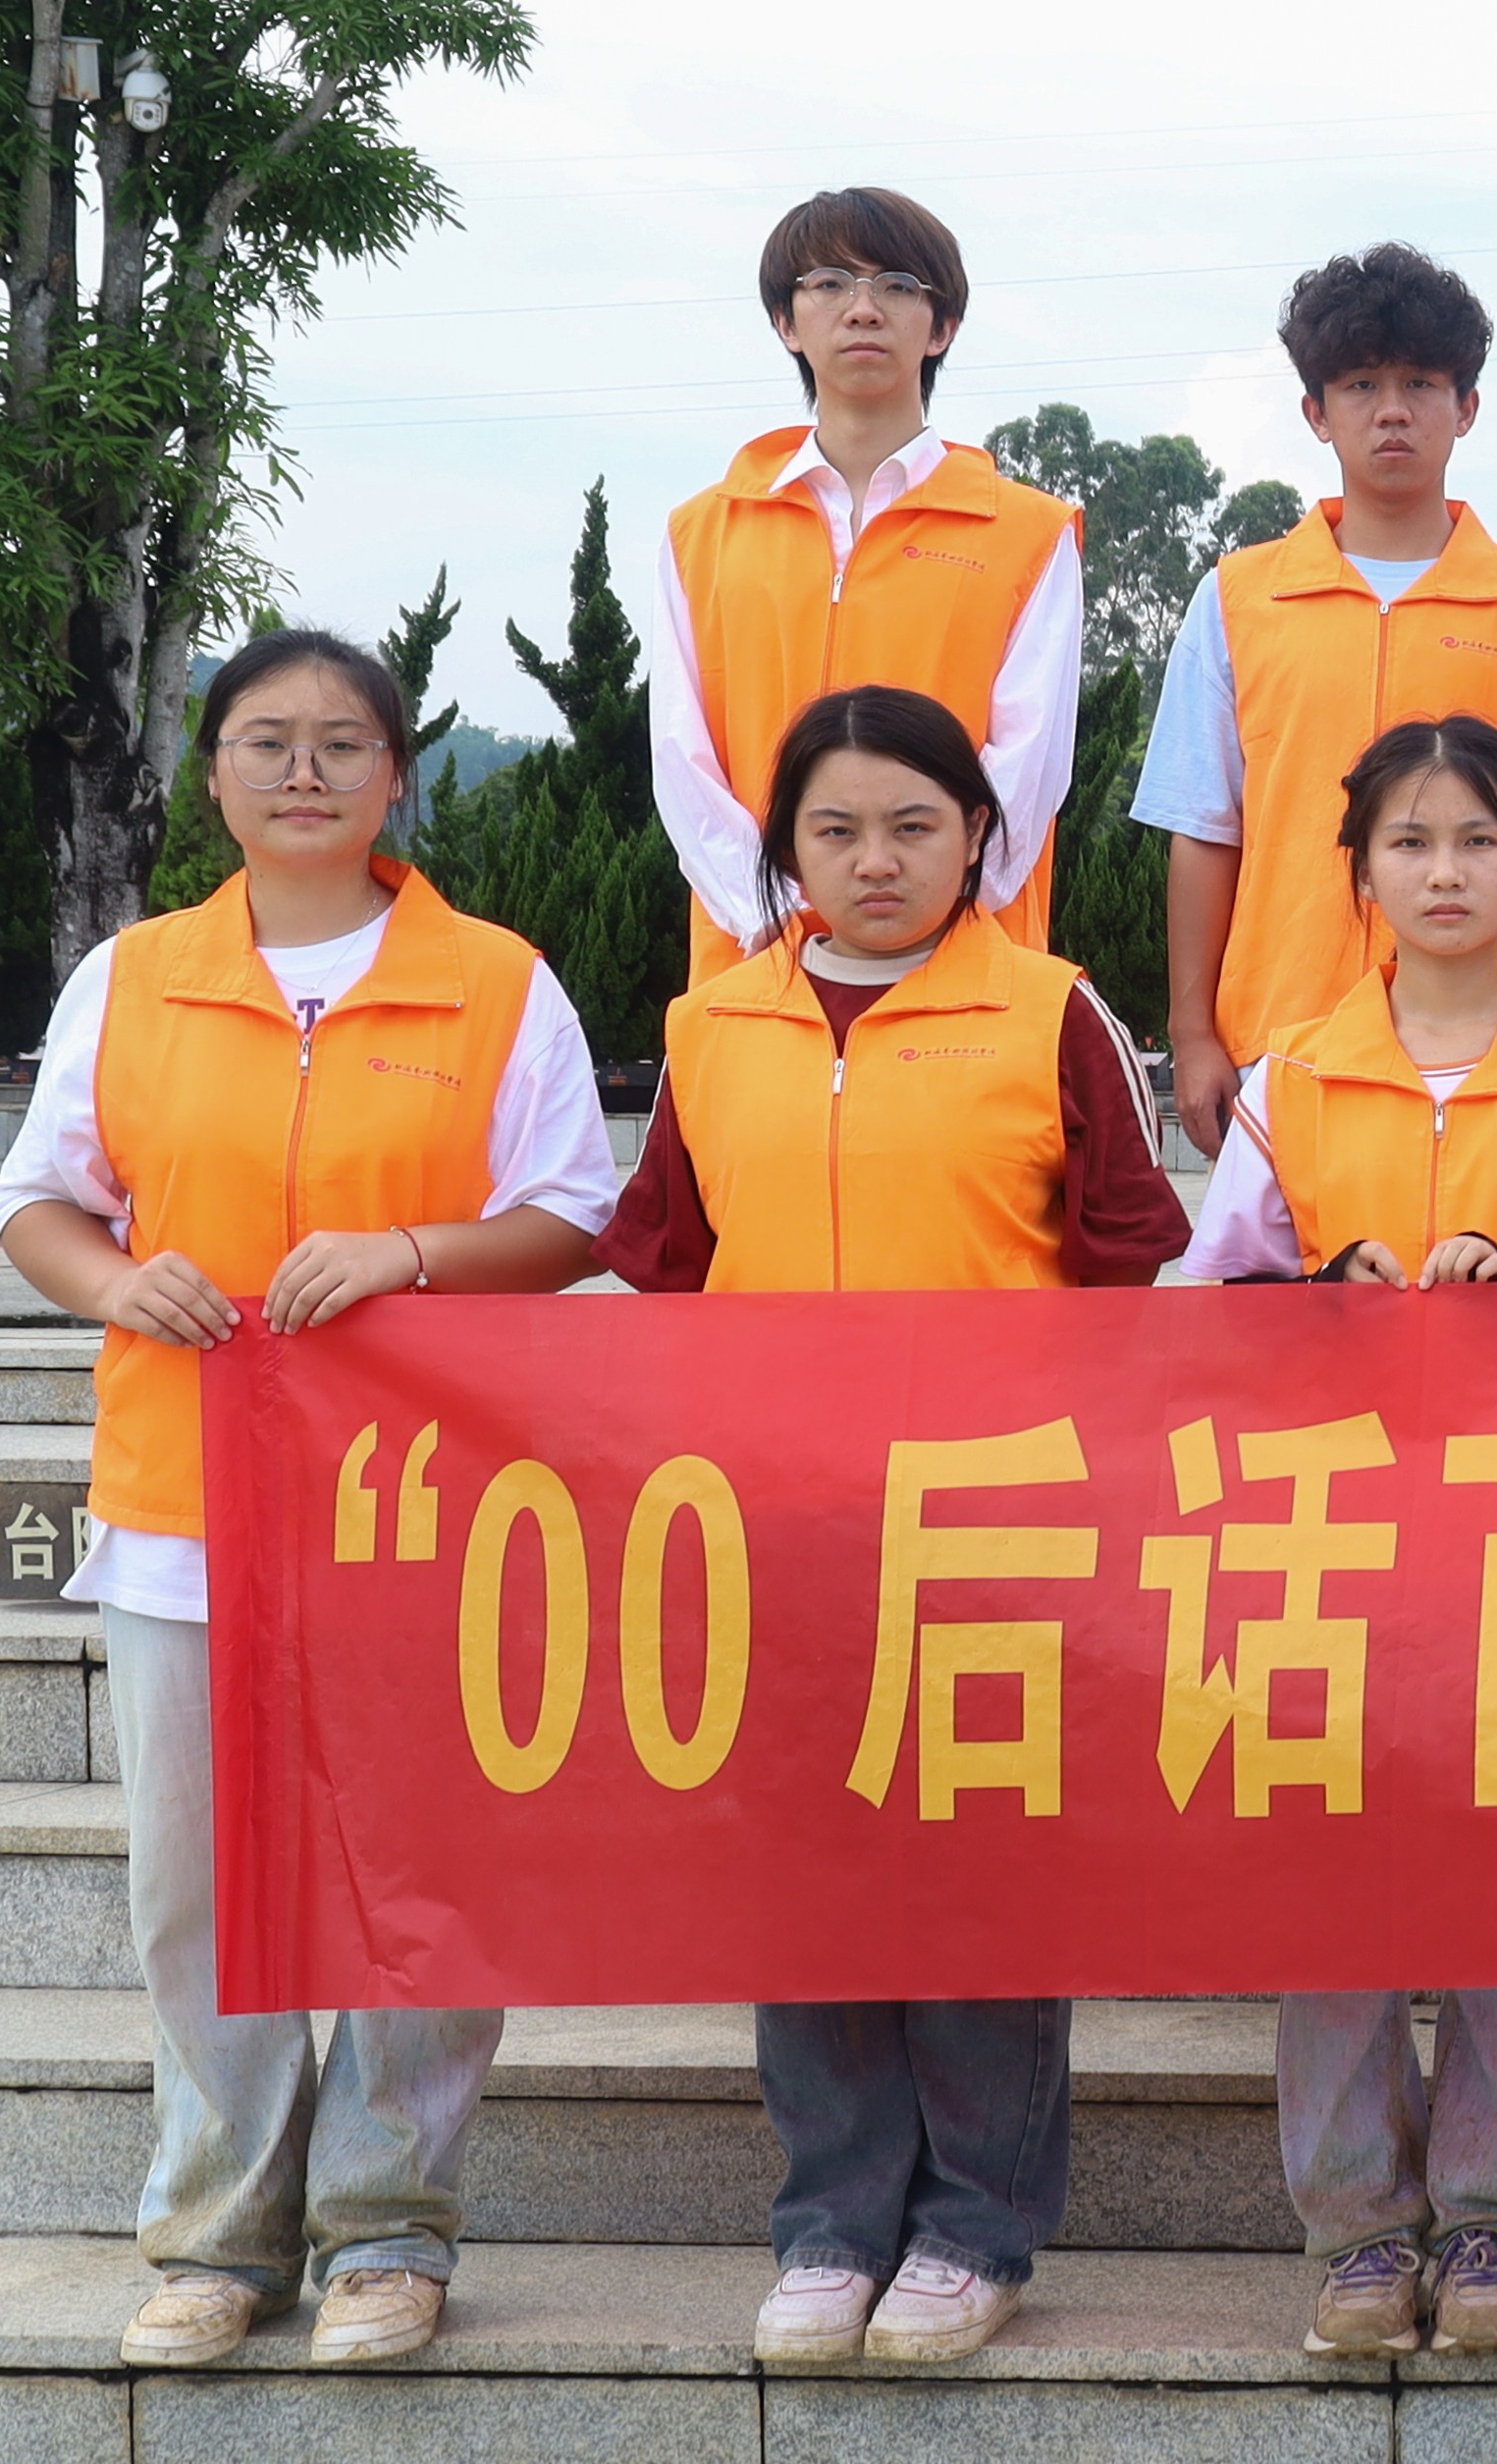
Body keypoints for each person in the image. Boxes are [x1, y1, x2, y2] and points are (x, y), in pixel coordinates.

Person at [0, 632, 620, 2375]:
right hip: (185, 1503)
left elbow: (572, 1211)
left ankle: (390, 2230)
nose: (305, 771)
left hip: (427, 1511)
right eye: (266, 740)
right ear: (210, 775)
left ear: (398, 773)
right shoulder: (134, 977)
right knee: (197, 1885)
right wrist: (117, 1281)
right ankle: (219, 2235)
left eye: (345, 741)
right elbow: (36, 1199)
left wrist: (415, 1251)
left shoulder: (493, 980)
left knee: (421, 1875)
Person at [598, 683, 1186, 2367]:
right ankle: (834, 2221)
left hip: (999, 1531)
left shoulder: (1054, 1011)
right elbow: (662, 1268)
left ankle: (974, 2230)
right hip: (782, 1531)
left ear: (981, 836)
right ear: (783, 847)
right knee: (811, 1883)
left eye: (915, 825)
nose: (875, 859)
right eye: (836, 828)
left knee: (982, 1886)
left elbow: (1132, 1262)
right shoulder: (712, 1025)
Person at [1175, 712, 1497, 2360]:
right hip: (1327, 1560)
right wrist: (1322, 1295)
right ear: (1360, 873)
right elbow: (1207, 1309)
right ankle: (1351, 2229)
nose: (1444, 870)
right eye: (1409, 839)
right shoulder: (1290, 1081)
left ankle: (1485, 2221)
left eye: (1478, 840)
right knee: (1332, 1899)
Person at [1137, 243, 1497, 1158]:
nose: (1391, 410)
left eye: (1420, 384)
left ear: (1466, 407)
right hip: (1281, 1040)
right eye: (1360, 385)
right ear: (1316, 413)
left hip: (1486, 1052)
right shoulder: (1235, 600)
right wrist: (1192, 1032)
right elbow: (1201, 827)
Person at [651, 187, 1085, 987]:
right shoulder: (701, 533)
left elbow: (1030, 765)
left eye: (896, 285)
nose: (862, 308)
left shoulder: (1030, 533)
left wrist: (924, 910)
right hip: (756, 963)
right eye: (828, 283)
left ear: (942, 326)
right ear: (785, 322)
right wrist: (772, 907)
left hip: (964, 966)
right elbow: (682, 760)